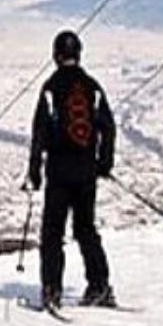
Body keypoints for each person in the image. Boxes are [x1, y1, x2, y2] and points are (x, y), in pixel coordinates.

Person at [28, 30, 117, 309]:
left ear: (56, 55)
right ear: (78, 54)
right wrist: (104, 163)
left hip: (59, 172)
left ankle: (52, 289)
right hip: (86, 171)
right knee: (85, 229)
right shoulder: (92, 87)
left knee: (53, 233)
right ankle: (100, 285)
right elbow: (108, 128)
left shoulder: (51, 88)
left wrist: (34, 171)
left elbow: (39, 133)